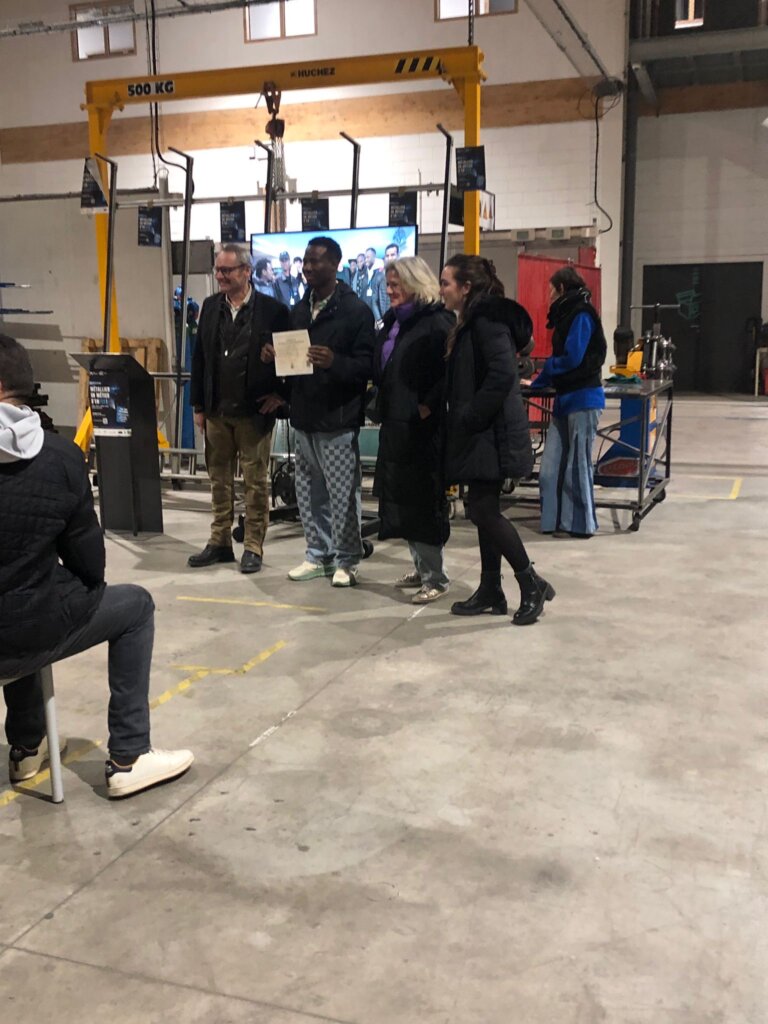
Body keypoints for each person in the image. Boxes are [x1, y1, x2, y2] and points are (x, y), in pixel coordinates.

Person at [0, 335, 193, 798]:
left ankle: (28, 745)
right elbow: (91, 565)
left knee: (22, 596)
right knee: (134, 606)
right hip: (28, 629)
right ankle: (129, 756)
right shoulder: (61, 458)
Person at [439, 255, 554, 626]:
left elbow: (503, 374)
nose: (441, 290)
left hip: (492, 432)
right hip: (483, 432)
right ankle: (491, 588)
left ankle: (531, 583)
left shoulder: (486, 321)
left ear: (466, 287)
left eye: (446, 283)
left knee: (483, 511)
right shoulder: (473, 320)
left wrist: (472, 416)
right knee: (481, 509)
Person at [262, 236, 375, 587]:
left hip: (338, 418)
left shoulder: (356, 311)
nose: (308, 267)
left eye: (316, 261)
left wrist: (334, 361)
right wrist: (275, 358)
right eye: (306, 261)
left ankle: (347, 560)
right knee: (309, 492)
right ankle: (318, 554)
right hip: (304, 417)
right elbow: (294, 366)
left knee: (343, 494)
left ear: (336, 265)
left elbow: (368, 367)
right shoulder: (298, 311)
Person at [189, 244, 291, 573]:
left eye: (227, 270)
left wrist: (281, 396)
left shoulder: (274, 311)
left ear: (246, 271)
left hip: (254, 413)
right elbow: (200, 358)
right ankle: (219, 541)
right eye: (218, 270)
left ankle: (253, 546)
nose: (220, 276)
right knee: (218, 481)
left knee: (255, 483)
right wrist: (198, 405)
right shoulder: (210, 306)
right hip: (216, 412)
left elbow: (292, 357)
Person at [372, 257, 453, 604]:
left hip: (421, 429)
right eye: (388, 284)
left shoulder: (437, 322)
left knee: (422, 502)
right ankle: (421, 567)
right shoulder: (394, 320)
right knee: (402, 501)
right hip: (395, 423)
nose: (390, 290)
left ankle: (436, 577)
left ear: (416, 283)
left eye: (397, 284)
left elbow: (448, 373)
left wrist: (428, 405)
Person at [530, 266, 606, 537]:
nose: (548, 295)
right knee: (550, 468)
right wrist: (535, 383)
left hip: (584, 399)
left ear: (561, 289)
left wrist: (548, 369)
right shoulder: (567, 315)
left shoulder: (582, 314)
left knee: (577, 465)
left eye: (551, 289)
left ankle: (580, 525)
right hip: (565, 400)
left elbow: (573, 358)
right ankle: (553, 521)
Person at [372, 243, 400, 327]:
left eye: (392, 255)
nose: (390, 258)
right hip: (383, 321)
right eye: (387, 256)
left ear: (398, 255)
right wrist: (379, 321)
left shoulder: (404, 276)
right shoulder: (379, 276)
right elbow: (374, 301)